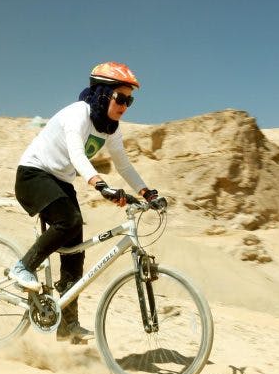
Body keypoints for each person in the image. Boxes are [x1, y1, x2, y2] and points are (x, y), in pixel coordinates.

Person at [9, 61, 166, 343]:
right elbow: (77, 155)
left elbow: (124, 165)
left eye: (130, 100)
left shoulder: (110, 128)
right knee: (67, 221)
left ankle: (67, 324)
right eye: (120, 98)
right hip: (33, 174)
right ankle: (23, 267)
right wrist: (100, 184)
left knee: (74, 250)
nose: (125, 105)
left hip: (60, 182)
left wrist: (147, 192)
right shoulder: (77, 114)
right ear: (104, 94)